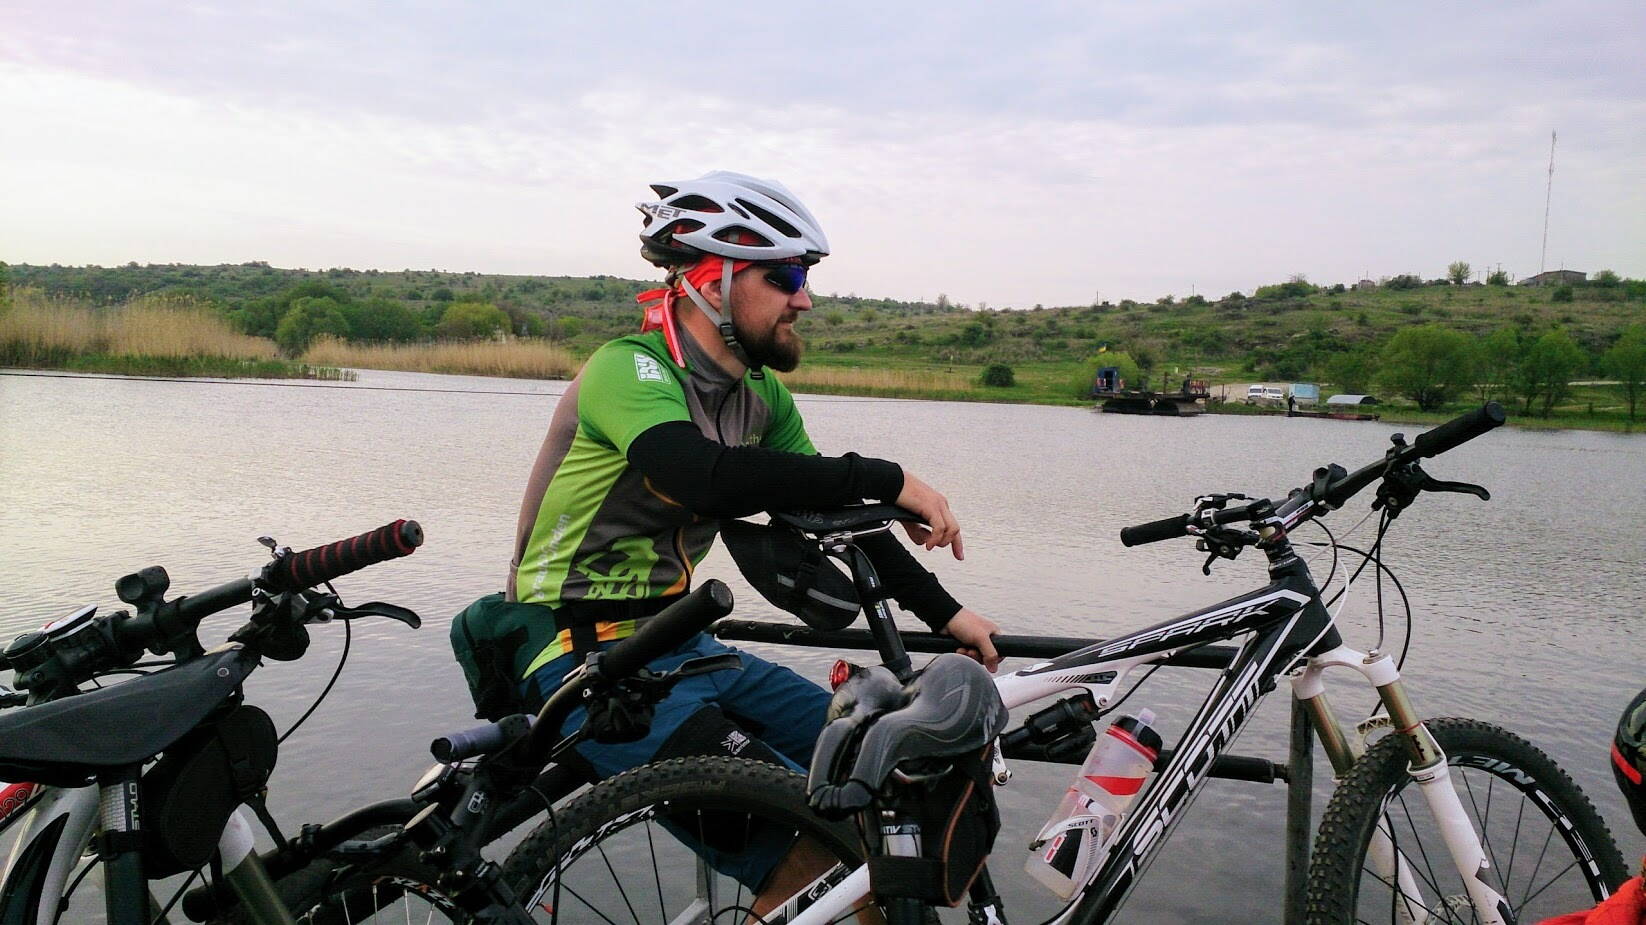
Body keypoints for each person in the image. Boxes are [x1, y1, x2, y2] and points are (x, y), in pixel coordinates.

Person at [487, 170, 998, 905]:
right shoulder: (626, 369)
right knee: (818, 858)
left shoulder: (761, 396)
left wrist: (949, 615)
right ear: (711, 282)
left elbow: (828, 513)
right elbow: (703, 477)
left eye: (806, 277)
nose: (804, 299)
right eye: (784, 276)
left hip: (684, 645)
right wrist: (888, 478)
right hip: (580, 653)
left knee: (884, 773)